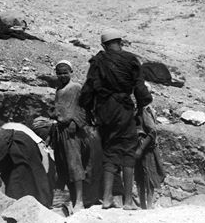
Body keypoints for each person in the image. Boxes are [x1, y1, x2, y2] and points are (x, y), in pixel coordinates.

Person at [79, 29, 152, 210]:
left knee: (109, 151)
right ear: (120, 42)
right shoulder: (131, 60)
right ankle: (127, 202)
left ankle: (106, 198)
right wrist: (142, 106)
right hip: (124, 109)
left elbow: (88, 89)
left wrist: (88, 109)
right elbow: (140, 89)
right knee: (128, 151)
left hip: (104, 111)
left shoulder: (98, 61)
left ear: (104, 45)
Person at [0, 114, 53, 207]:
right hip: (10, 151)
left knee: (32, 181)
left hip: (18, 142)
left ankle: (42, 206)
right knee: (16, 185)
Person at [51, 60, 102, 211]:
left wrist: (76, 122)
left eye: (65, 72)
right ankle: (68, 198)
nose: (62, 75)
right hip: (61, 130)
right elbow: (59, 109)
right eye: (59, 73)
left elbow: (85, 108)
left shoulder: (76, 88)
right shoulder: (59, 90)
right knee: (63, 163)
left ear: (71, 72)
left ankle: (79, 200)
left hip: (73, 131)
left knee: (75, 163)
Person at [134, 99, 165, 210]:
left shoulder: (145, 111)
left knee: (148, 177)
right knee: (140, 177)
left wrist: (141, 148)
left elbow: (152, 131)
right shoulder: (138, 110)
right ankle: (143, 206)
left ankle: (149, 205)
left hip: (146, 149)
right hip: (139, 147)